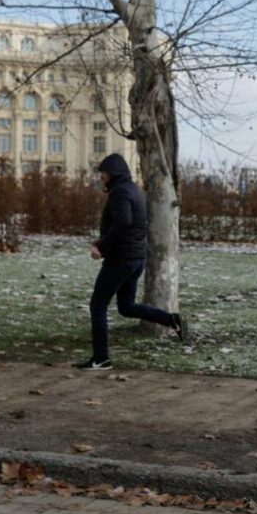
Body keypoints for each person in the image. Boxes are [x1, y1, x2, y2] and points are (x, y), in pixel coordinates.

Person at [77, 153, 186, 370]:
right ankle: (171, 320)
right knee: (126, 307)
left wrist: (101, 247)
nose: (101, 178)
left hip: (121, 259)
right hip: (136, 259)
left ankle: (101, 358)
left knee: (97, 305)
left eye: (104, 173)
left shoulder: (120, 193)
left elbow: (123, 223)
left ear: (114, 173)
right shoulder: (135, 190)